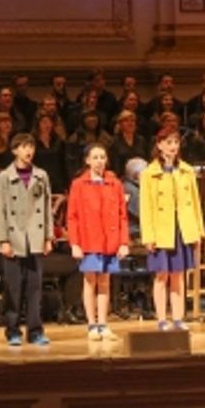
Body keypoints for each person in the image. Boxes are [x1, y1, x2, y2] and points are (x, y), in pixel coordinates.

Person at [140, 125, 205, 331]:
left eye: (176, 142)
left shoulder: (186, 170)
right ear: (159, 145)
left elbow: (195, 203)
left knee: (178, 274)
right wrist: (148, 236)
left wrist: (198, 231)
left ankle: (178, 318)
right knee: (162, 274)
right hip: (161, 230)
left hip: (183, 228)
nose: (173, 146)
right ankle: (161, 318)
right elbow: (146, 207)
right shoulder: (150, 173)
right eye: (169, 142)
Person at [0, 133, 54, 346]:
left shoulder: (41, 175)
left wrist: (48, 236)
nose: (28, 151)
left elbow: (47, 207)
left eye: (31, 146)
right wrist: (4, 240)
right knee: (13, 288)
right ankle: (12, 329)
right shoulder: (5, 177)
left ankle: (35, 330)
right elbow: (1, 210)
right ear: (14, 150)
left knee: (35, 288)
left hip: (35, 238)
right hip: (15, 237)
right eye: (23, 147)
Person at [67, 144, 130, 340]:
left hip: (109, 240)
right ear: (87, 161)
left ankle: (103, 323)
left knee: (105, 282)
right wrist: (75, 243)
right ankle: (91, 324)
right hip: (89, 241)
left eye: (102, 157)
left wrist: (123, 242)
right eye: (95, 157)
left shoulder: (115, 183)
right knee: (90, 281)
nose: (99, 161)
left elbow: (122, 216)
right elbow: (72, 216)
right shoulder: (79, 184)